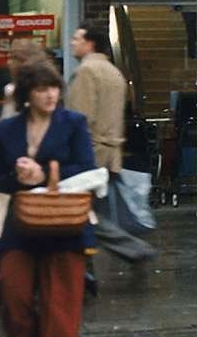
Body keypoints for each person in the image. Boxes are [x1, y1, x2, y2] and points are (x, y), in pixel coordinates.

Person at [0, 62, 94, 337]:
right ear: (27, 95)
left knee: (60, 312)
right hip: (21, 225)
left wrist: (48, 171)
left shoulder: (74, 123)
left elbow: (87, 167)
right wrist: (17, 178)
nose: (50, 94)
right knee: (13, 298)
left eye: (54, 87)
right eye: (41, 89)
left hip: (66, 226)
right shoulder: (7, 129)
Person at [66, 23, 154, 263]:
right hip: (111, 153)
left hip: (91, 154)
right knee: (97, 211)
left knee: (83, 213)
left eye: (77, 38)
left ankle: (134, 248)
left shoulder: (86, 72)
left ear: (90, 43)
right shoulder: (113, 72)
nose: (72, 42)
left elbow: (80, 119)